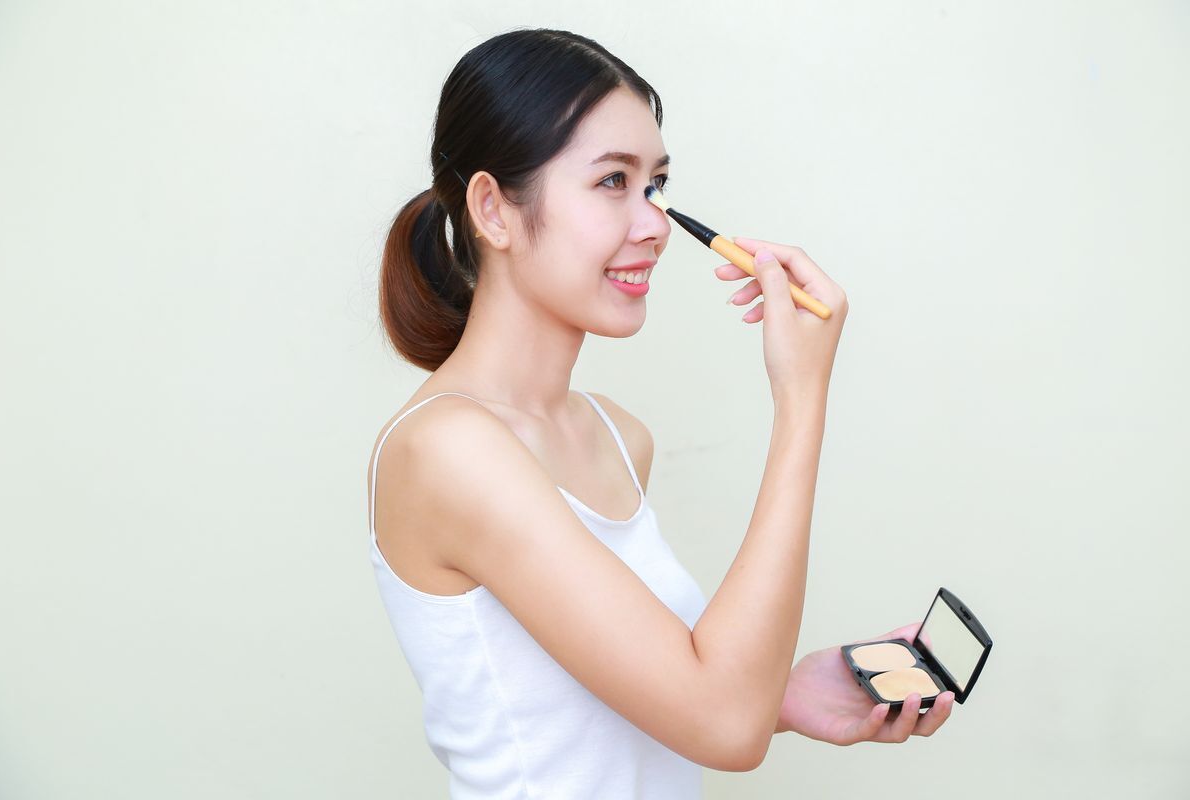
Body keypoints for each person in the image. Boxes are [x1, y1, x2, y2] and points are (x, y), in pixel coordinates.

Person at [367, 27, 954, 799]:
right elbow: (722, 725)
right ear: (493, 209)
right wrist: (801, 398)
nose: (653, 224)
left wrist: (785, 692)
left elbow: (624, 699)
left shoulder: (615, 437)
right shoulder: (446, 451)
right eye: (613, 181)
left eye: (656, 185)